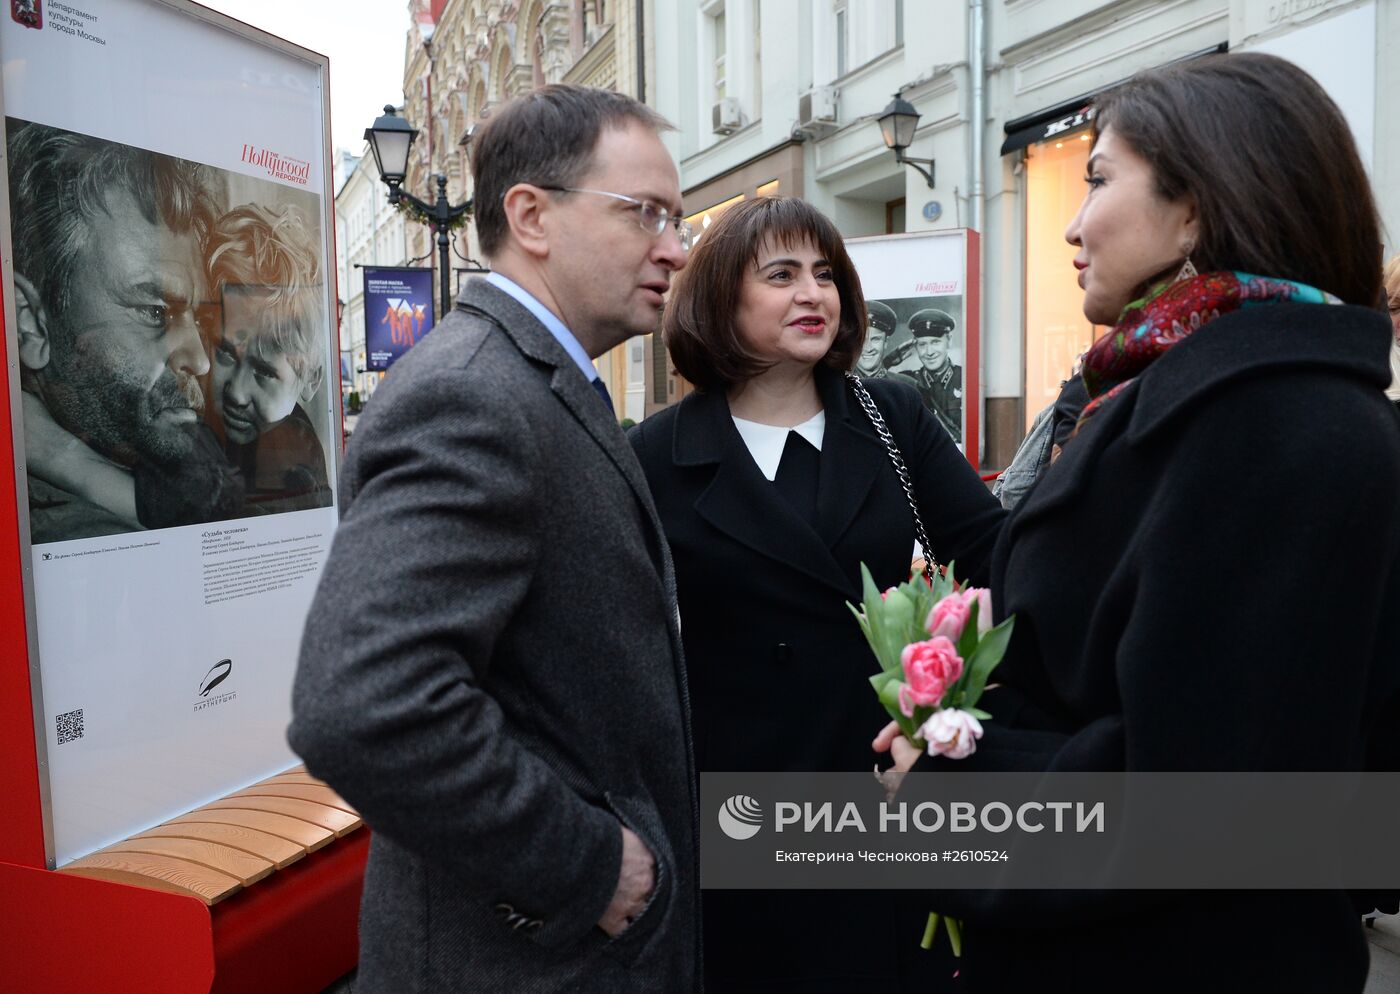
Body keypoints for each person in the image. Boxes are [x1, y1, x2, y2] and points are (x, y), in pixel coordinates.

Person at [875, 52, 1400, 993]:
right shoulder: (1184, 396)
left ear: (1195, 205)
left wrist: (951, 788)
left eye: (1099, 180)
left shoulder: (1272, 427)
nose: (1072, 227)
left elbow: (1193, 798)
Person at [289, 84, 699, 993]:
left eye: (678, 217)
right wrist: (589, 862)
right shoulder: (474, 396)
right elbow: (364, 706)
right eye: (645, 214)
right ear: (532, 216)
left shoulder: (535, 382)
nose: (674, 247)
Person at [629, 195, 1005, 992]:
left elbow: (992, 558)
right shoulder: (657, 455)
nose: (814, 294)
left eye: (827, 274)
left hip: (888, 791)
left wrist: (950, 702)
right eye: (782, 274)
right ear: (721, 296)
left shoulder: (892, 413)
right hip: (744, 813)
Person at [7, 119, 230, 542]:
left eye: (200, 320)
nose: (200, 360)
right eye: (155, 312)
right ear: (31, 325)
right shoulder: (71, 536)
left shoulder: (183, 457)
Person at [204, 204, 331, 515]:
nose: (236, 391)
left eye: (264, 371)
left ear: (311, 379)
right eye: (225, 353)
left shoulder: (286, 462)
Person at [905, 307, 962, 441]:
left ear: (949, 340)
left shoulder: (965, 378)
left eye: (935, 342)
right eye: (922, 344)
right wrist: (889, 361)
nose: (929, 351)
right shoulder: (908, 380)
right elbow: (872, 380)